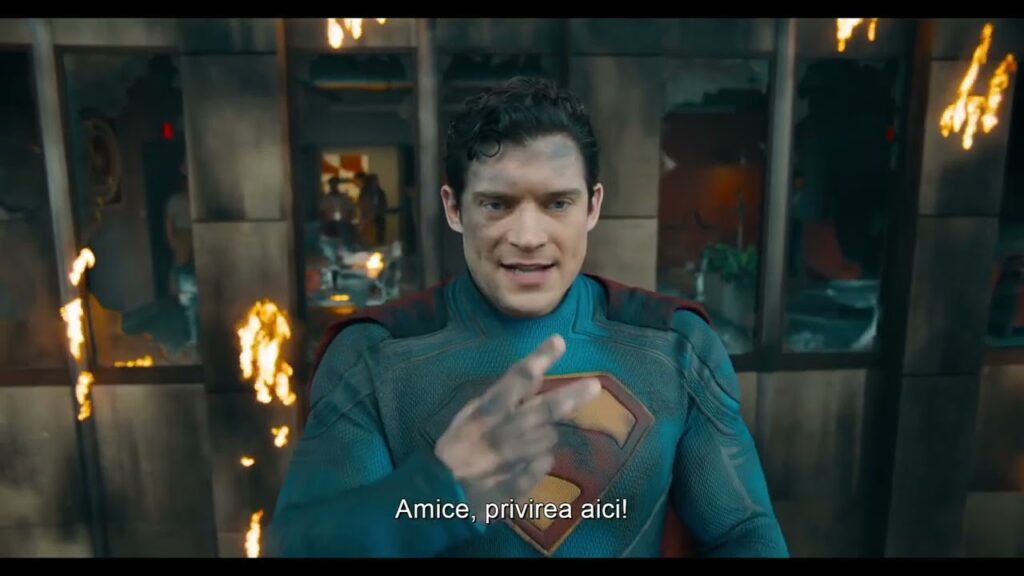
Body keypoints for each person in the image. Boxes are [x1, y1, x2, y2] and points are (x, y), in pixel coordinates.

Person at [266, 77, 788, 558]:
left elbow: (743, 532)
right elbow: (298, 547)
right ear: (454, 208)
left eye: (557, 203)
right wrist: (439, 491)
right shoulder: (373, 357)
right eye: (497, 204)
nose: (528, 236)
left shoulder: (676, 346)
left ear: (592, 206)